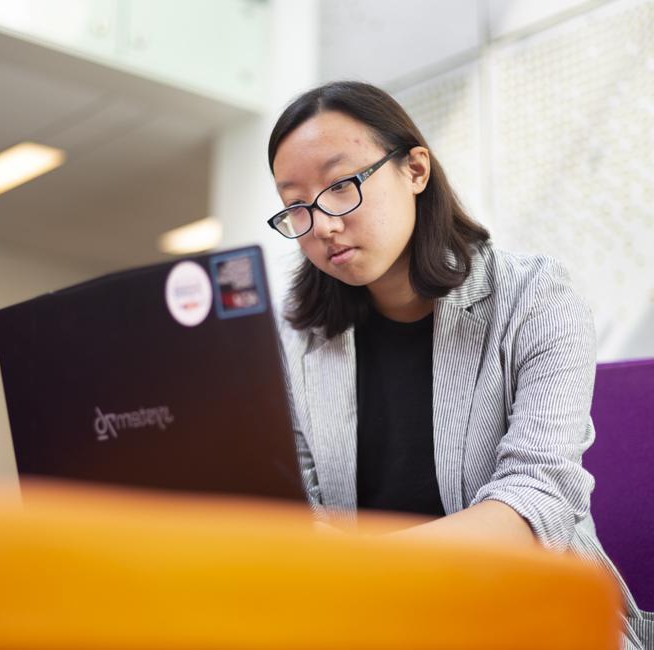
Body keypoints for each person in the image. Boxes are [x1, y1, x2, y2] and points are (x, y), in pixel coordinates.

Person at [267, 81, 651, 649]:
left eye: (341, 186)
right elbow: (300, 513)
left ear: (415, 170)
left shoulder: (535, 298)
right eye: (295, 205)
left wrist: (362, 566)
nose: (320, 225)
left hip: (527, 616)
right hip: (374, 624)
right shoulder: (300, 339)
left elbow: (537, 498)